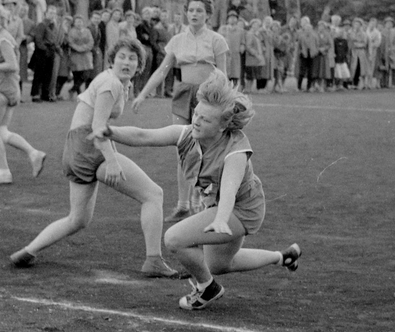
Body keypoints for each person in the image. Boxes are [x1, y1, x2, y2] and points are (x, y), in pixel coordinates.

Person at [98, 71, 299, 310]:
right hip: (219, 207)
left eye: (205, 119)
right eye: (196, 114)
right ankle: (282, 257)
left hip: (241, 209)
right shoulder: (187, 134)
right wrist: (111, 132)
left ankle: (207, 288)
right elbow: (144, 135)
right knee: (218, 265)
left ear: (223, 125)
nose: (196, 121)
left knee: (174, 238)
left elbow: (229, 189)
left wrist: (221, 218)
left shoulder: (235, 151)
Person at [9, 37, 178, 278]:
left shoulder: (118, 82)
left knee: (78, 219)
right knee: (153, 194)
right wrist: (112, 160)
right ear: (112, 60)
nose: (126, 62)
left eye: (132, 59)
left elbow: (99, 125)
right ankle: (154, 261)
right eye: (121, 57)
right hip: (90, 146)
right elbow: (98, 127)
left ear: (140, 65)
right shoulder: (111, 83)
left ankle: (28, 251)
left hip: (76, 148)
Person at [132, 0, 230, 220]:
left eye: (200, 11)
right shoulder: (177, 40)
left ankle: (201, 200)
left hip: (207, 96)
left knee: (206, 149)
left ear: (207, 15)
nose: (194, 14)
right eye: (191, 10)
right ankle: (183, 204)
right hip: (183, 94)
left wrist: (223, 102)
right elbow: (162, 71)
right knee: (183, 147)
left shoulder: (216, 40)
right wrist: (142, 95)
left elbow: (223, 74)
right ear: (186, 13)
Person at [0, 1, 47, 185]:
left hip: (1, 87)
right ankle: (34, 153)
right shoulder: (0, 36)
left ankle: (4, 171)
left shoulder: (2, 37)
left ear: (2, 19)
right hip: (10, 87)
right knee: (2, 130)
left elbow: (13, 65)